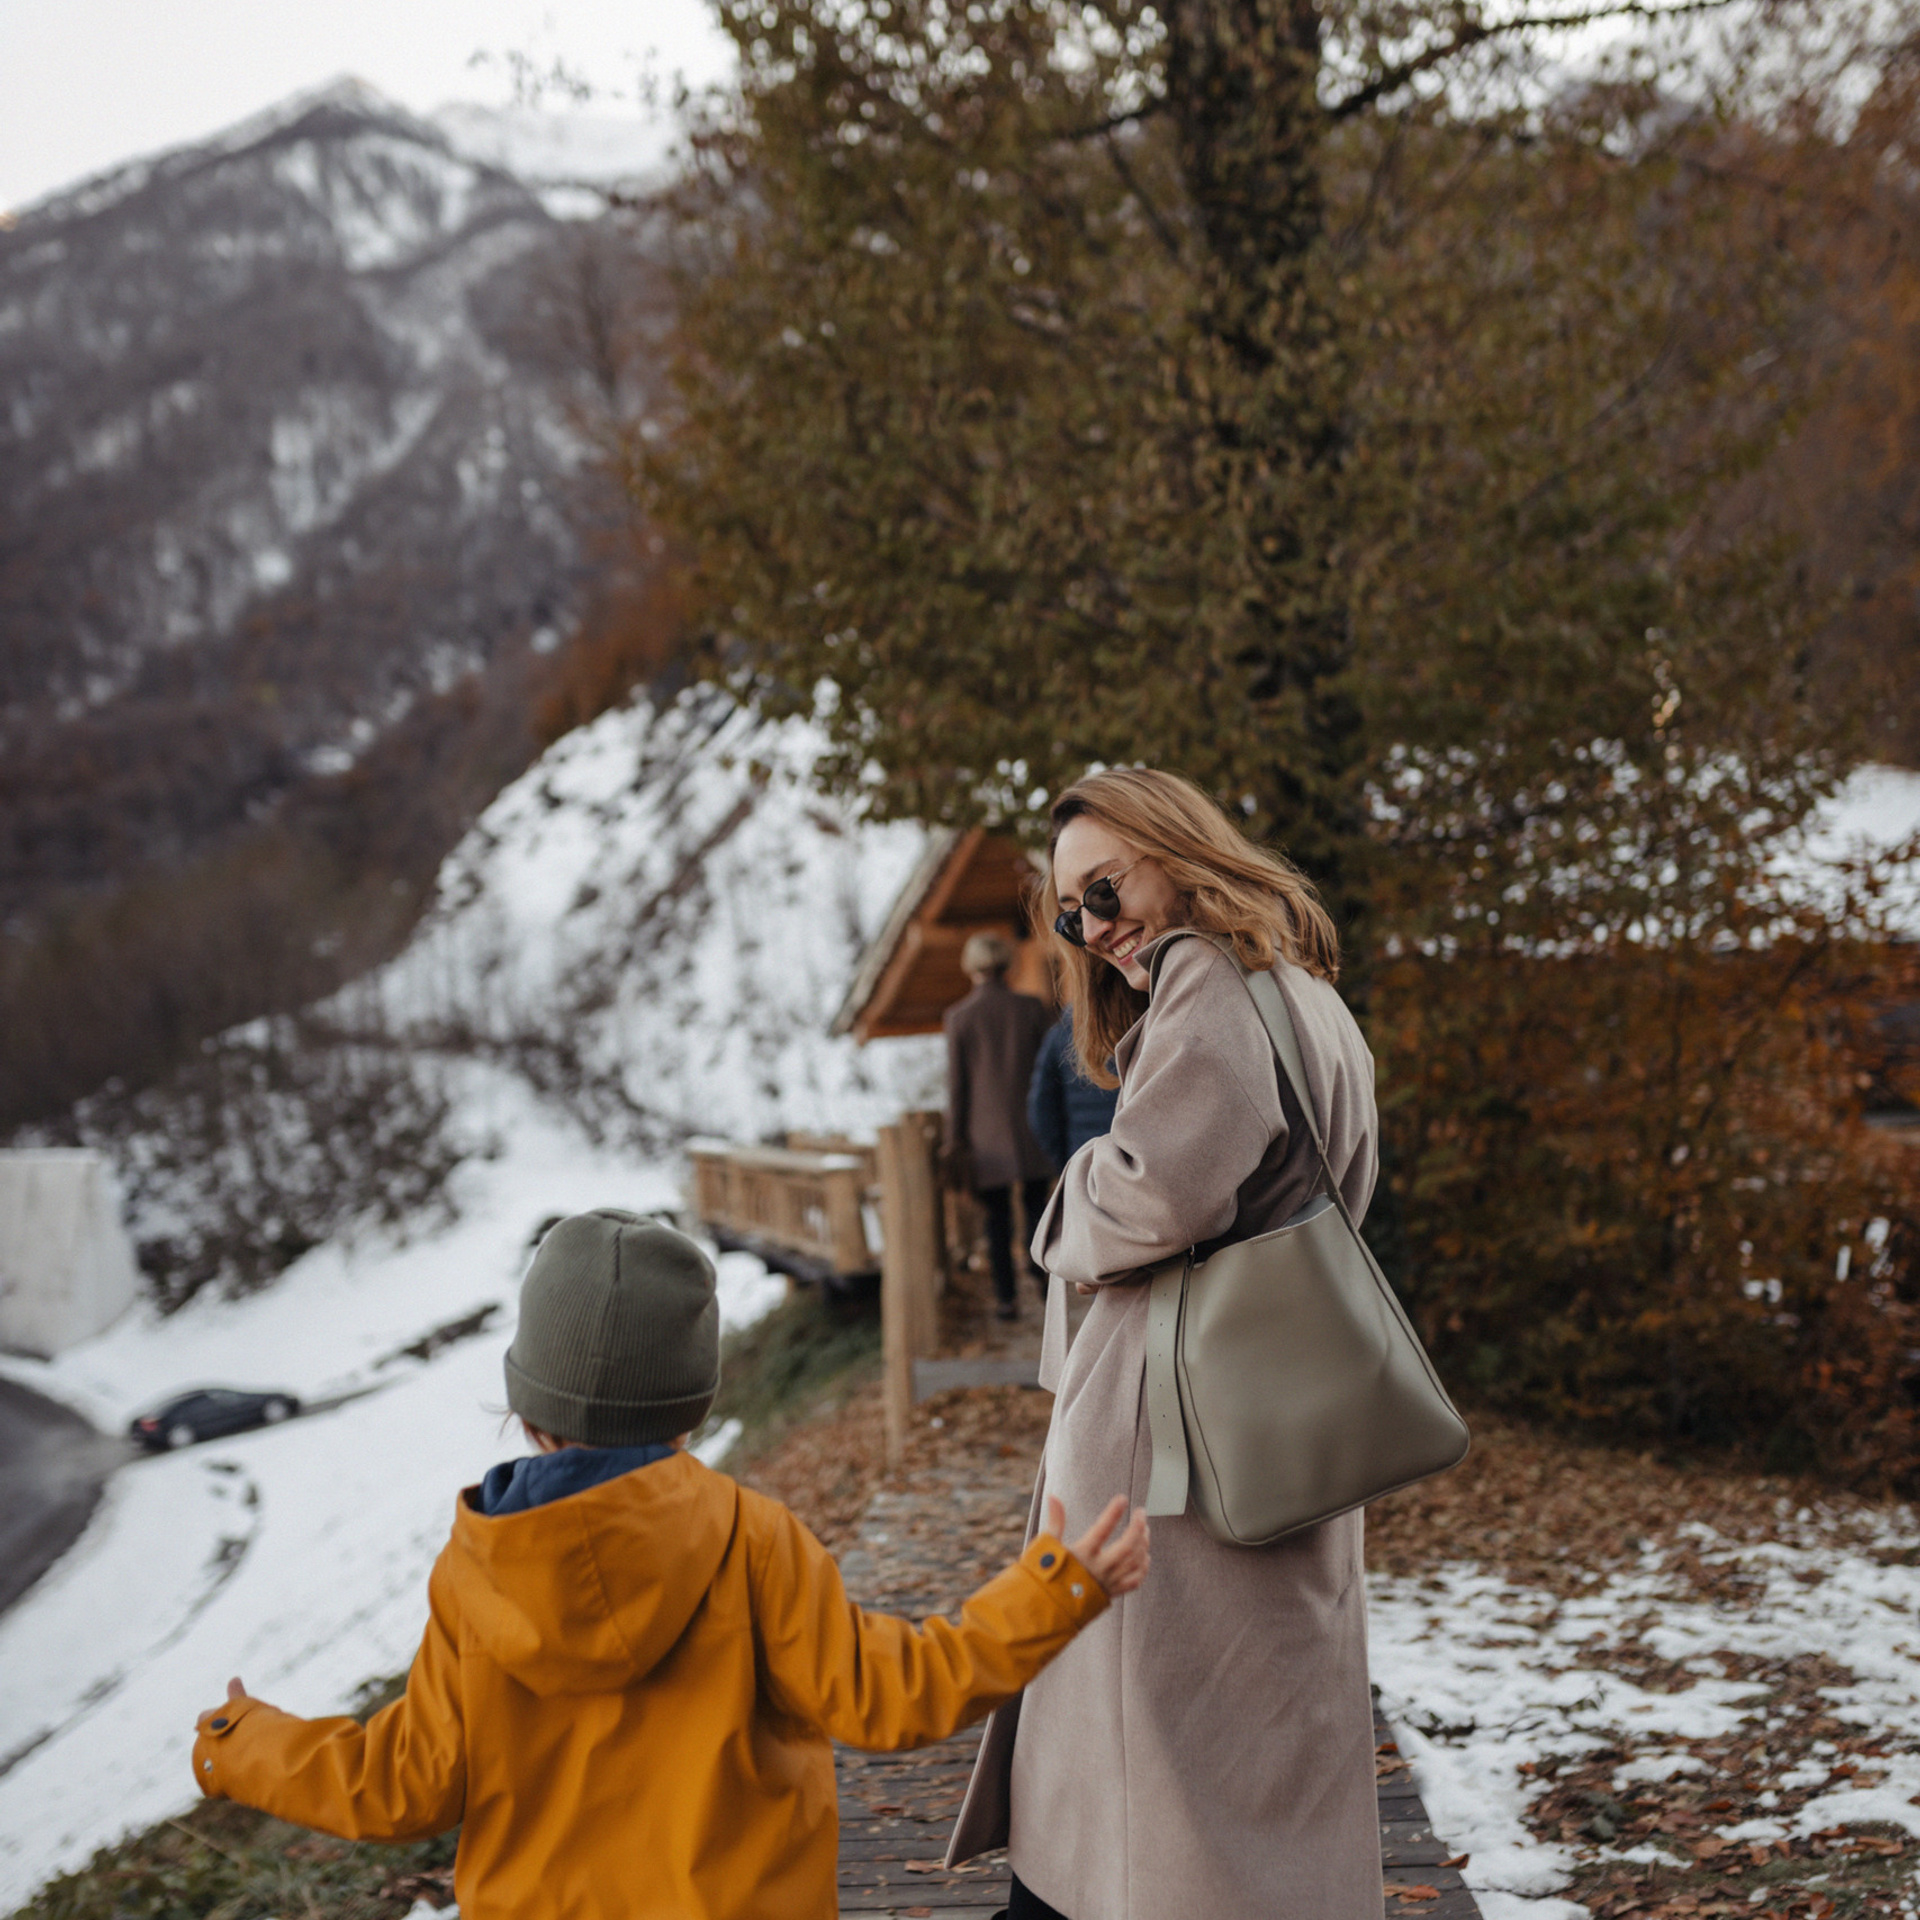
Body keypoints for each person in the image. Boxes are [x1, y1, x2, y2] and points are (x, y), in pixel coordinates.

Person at [190, 1209, 1150, 1920]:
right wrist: (1052, 1590)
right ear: (689, 1405)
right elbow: (891, 1698)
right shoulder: (751, 1539)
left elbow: (400, 1784)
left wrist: (242, 1743)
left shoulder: (475, 1571)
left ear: (524, 1403)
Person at [948, 769, 1384, 1920]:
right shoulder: (1304, 994)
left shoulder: (1207, 982)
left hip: (1173, 1448)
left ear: (1176, 848)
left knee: (1137, 1780)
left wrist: (1068, 1197)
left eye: (1105, 886)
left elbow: (1149, 1199)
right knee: (1248, 1758)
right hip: (1275, 1415)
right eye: (1070, 913)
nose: (1095, 927)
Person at [943, 930, 1055, 1319]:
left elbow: (957, 1089)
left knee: (997, 1220)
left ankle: (1006, 1299)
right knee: (1038, 1207)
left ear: (970, 966)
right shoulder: (1031, 1008)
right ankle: (1043, 1279)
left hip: (984, 1138)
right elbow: (1050, 1071)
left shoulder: (958, 1017)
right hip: (1033, 1130)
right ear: (1008, 963)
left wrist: (954, 1142)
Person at [1025, 1004, 1118, 1172]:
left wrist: (1066, 1161)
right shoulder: (1148, 1025)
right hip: (1136, 1162)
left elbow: (1041, 1110)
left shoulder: (1061, 1033)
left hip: (1083, 1158)